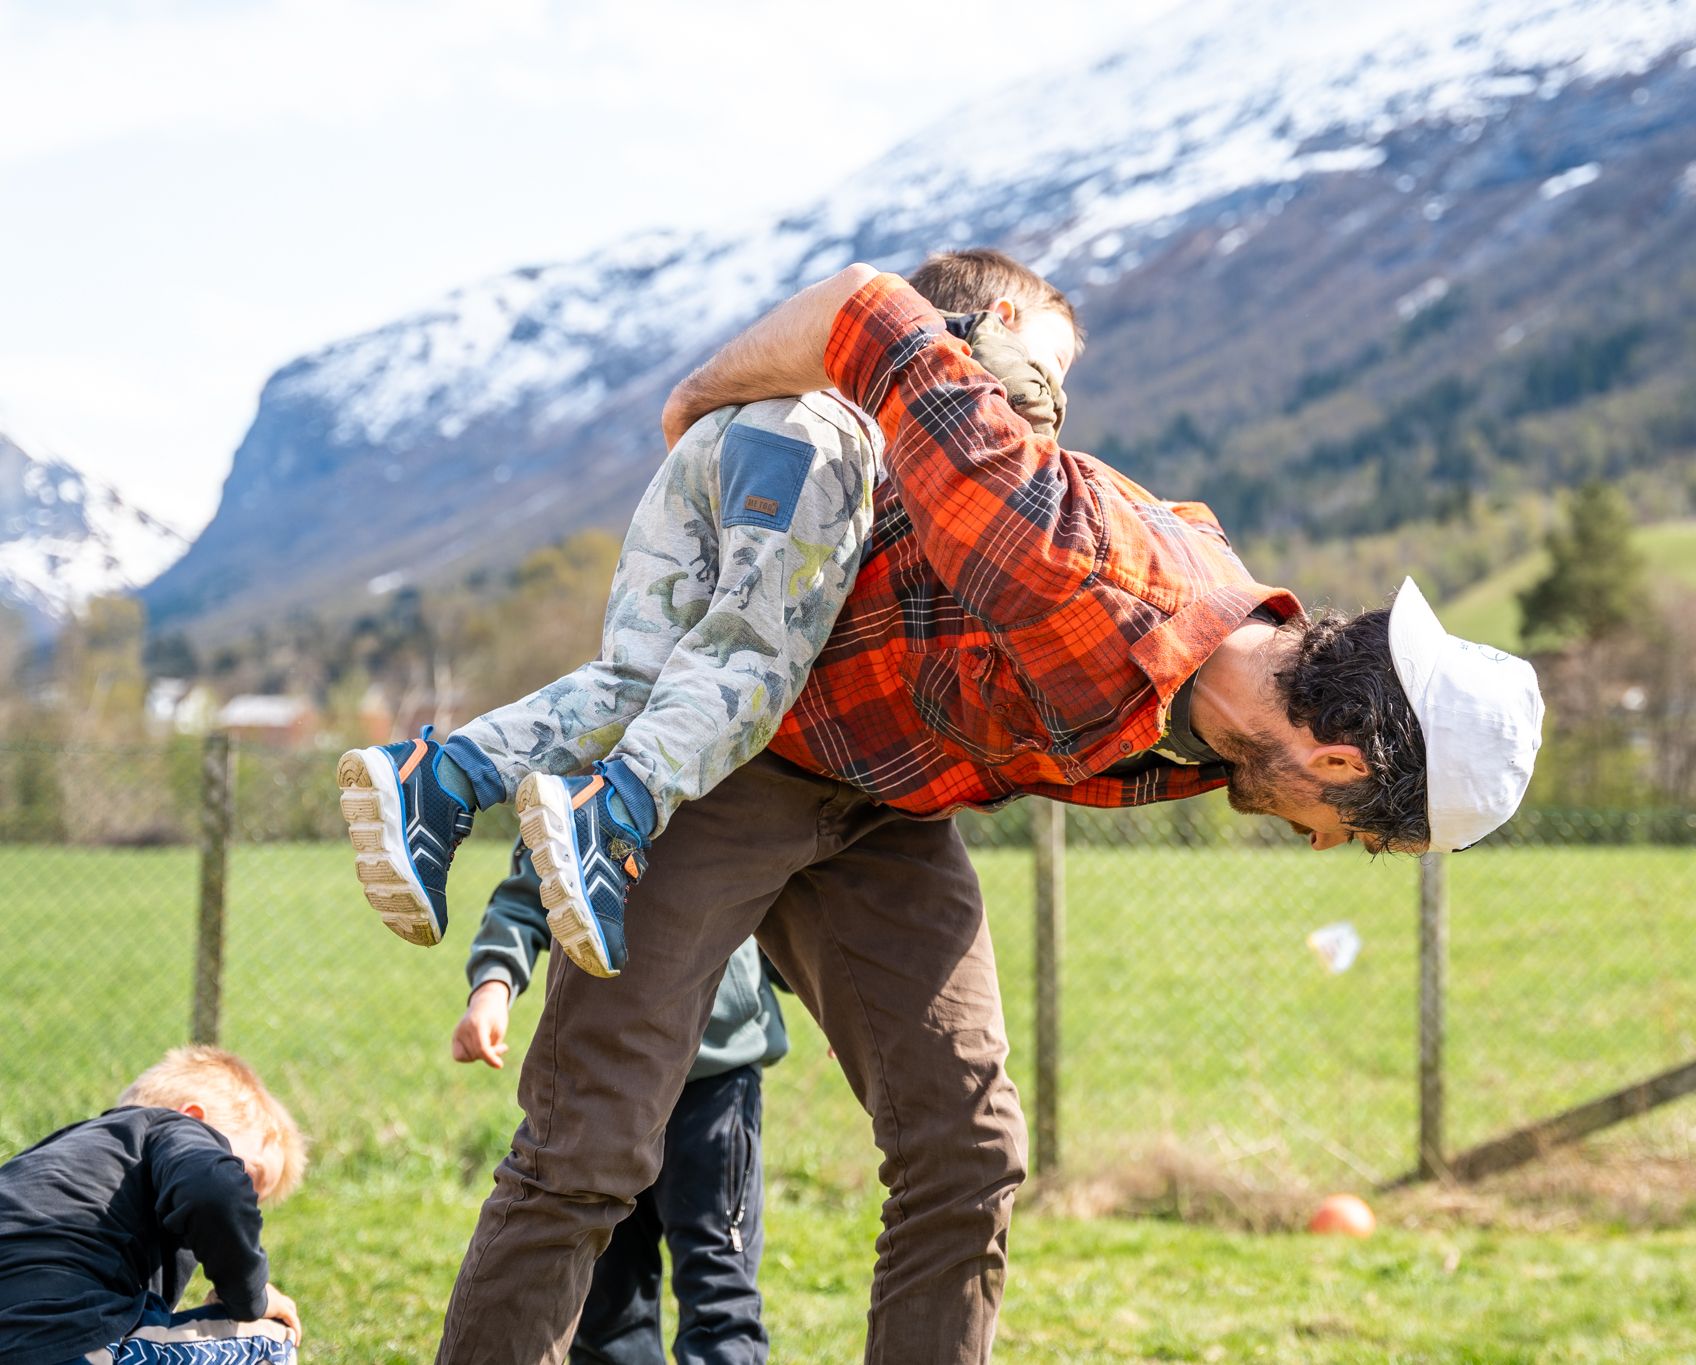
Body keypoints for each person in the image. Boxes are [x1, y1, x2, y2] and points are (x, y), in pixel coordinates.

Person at [433, 261, 1543, 1365]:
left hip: (886, 804)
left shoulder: (1216, 729)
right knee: (593, 1143)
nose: (1319, 839)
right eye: (1349, 826)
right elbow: (867, 308)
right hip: (733, 754)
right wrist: (696, 409)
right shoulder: (1067, 557)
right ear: (1339, 757)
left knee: (967, 1154)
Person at [335, 250, 1080, 978]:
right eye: (1056, 361)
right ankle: (614, 811)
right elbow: (1014, 418)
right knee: (748, 660)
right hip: (819, 448)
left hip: (726, 437)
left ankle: (438, 780)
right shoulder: (968, 343)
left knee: (638, 676)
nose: (1055, 387)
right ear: (1007, 315)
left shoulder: (828, 349)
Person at [451, 843, 787, 1365]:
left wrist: (844, 1002)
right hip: (608, 1083)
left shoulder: (744, 784)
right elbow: (525, 897)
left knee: (719, 1285)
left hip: (714, 1082)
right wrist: (493, 985)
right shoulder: (577, 783)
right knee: (607, 1299)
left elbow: (798, 908)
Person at [0, 1046, 309, 1365]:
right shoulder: (175, 1128)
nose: (245, 1201)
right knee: (271, 1338)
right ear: (194, 1118)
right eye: (246, 1176)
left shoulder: (50, 1158)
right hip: (68, 1341)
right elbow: (213, 1190)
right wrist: (250, 1296)